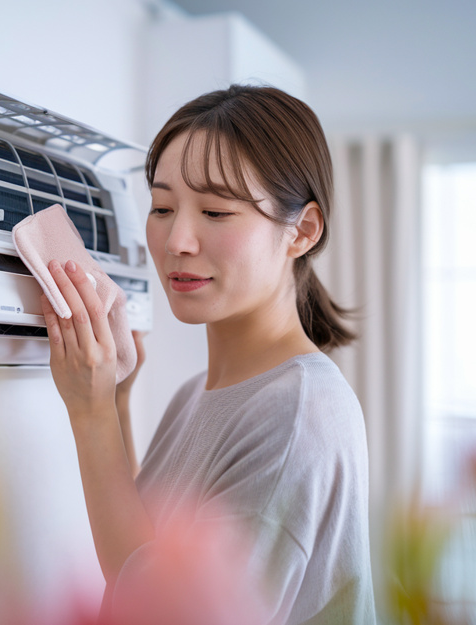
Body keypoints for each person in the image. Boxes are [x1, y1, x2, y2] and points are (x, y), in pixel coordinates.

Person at [40, 85, 375, 624]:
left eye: (216, 212)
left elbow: (158, 611)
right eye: (163, 207)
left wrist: (91, 412)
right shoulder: (194, 395)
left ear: (302, 231)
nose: (178, 241)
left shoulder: (298, 415)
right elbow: (145, 553)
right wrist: (117, 403)